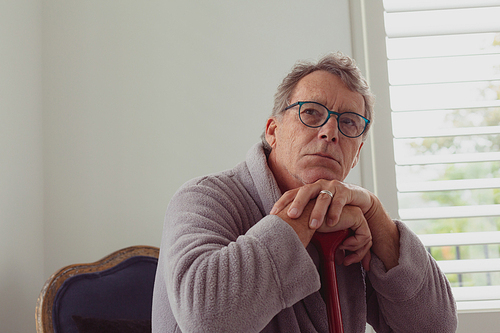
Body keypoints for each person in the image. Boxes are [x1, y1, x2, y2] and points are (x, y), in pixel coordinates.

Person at [152, 52, 458, 332]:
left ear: (357, 152)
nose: (330, 132)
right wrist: (309, 214)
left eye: (349, 122)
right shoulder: (203, 198)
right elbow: (208, 320)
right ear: (273, 131)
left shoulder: (356, 223)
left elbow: (435, 326)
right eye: (311, 112)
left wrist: (377, 215)